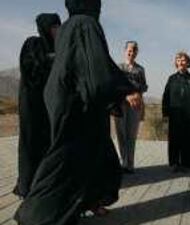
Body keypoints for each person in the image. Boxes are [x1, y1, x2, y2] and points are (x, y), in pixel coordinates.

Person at [14, 0, 142, 224]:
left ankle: (82, 205)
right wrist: (124, 90)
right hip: (76, 107)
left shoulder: (68, 27)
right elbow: (97, 68)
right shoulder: (86, 24)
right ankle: (35, 216)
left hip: (65, 101)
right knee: (65, 162)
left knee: (90, 158)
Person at [14, 13, 61, 198]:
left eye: (59, 26)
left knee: (48, 143)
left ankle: (44, 185)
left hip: (49, 105)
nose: (57, 30)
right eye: (54, 27)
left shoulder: (59, 47)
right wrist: (55, 59)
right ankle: (27, 186)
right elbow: (31, 67)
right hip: (32, 105)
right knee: (31, 143)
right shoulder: (33, 43)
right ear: (45, 27)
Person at [162, 51, 190, 172]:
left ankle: (187, 164)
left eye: (183, 60)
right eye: (178, 60)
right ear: (176, 63)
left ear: (188, 63)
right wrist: (165, 114)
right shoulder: (171, 79)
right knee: (174, 139)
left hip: (188, 115)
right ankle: (174, 163)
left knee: (187, 139)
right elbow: (166, 97)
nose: (180, 62)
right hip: (174, 115)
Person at [114, 41, 148, 174]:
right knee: (121, 134)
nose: (131, 52)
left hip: (135, 104)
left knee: (131, 134)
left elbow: (144, 86)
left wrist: (137, 93)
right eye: (129, 50)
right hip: (121, 103)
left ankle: (130, 164)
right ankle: (123, 162)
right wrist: (126, 95)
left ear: (136, 53)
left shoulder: (140, 69)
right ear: (125, 51)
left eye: (134, 50)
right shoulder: (118, 67)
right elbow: (115, 85)